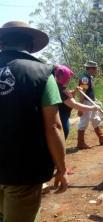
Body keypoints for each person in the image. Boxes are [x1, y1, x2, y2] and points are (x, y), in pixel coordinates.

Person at [0, 21, 68, 221]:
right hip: (22, 171)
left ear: (2, 44)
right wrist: (62, 168)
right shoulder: (43, 74)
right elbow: (54, 126)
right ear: (30, 46)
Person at [53, 64, 99, 139]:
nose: (69, 79)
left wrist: (75, 91)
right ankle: (80, 142)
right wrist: (92, 108)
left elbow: (67, 95)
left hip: (62, 116)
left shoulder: (59, 86)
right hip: (62, 118)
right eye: (68, 77)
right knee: (83, 121)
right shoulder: (62, 89)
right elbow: (74, 104)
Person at [77, 61, 103, 149]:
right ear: (90, 68)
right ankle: (80, 143)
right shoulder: (85, 79)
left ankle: (101, 138)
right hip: (86, 102)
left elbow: (89, 91)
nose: (96, 70)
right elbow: (82, 93)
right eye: (95, 68)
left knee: (95, 119)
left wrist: (95, 100)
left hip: (92, 101)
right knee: (84, 121)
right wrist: (80, 107)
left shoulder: (89, 77)